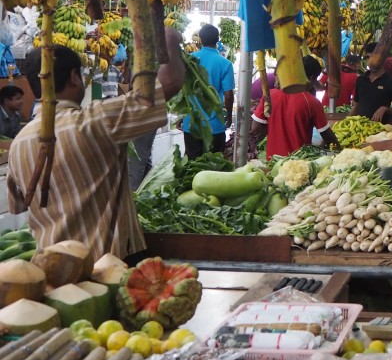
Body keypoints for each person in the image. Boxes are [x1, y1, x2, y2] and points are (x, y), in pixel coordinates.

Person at [6, 29, 186, 261]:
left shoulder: (19, 142)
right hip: (106, 265)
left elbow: (18, 206)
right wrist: (168, 38)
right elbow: (170, 82)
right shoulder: (95, 122)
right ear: (74, 76)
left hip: (51, 267)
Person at [251, 56, 339, 158]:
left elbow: (255, 127)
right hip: (299, 162)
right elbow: (326, 134)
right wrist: (339, 148)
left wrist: (275, 134)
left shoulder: (270, 96)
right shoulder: (312, 102)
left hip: (272, 160)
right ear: (311, 78)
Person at [182, 24, 235, 158]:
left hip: (192, 123)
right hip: (215, 125)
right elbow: (228, 95)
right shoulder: (225, 64)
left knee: (191, 167)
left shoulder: (189, 60)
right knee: (214, 168)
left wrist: (182, 116)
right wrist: (228, 116)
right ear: (218, 39)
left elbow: (183, 90)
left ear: (200, 39)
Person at [352, 43, 392, 121]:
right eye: (367, 57)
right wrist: (345, 121)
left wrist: (385, 109)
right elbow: (356, 106)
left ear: (382, 59)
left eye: (373, 58)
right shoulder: (360, 80)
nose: (370, 61)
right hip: (360, 130)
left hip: (382, 130)